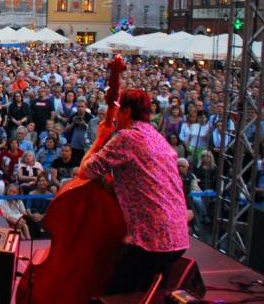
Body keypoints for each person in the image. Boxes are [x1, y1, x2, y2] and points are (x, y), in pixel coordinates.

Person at [79, 89, 189, 294]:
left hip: (150, 238)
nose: (113, 116)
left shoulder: (128, 138)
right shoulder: (157, 137)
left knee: (115, 296)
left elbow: (85, 171)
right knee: (148, 295)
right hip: (178, 235)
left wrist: (100, 137)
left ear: (127, 111)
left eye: (117, 110)